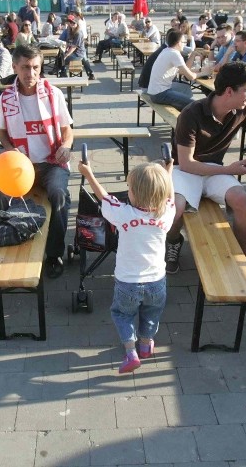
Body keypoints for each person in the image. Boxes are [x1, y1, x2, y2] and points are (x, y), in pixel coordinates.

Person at [164, 61, 246, 303]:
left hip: (215, 168)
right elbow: (187, 162)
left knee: (241, 199)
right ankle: (172, 241)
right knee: (177, 208)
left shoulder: (243, 109)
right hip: (185, 170)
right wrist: (230, 169)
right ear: (228, 92)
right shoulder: (191, 114)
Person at [78, 158, 175, 374]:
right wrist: (168, 174)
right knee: (152, 312)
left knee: (122, 314)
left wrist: (88, 174)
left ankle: (131, 352)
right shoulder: (167, 214)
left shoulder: (123, 214)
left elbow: (103, 196)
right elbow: (171, 197)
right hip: (157, 281)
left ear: (133, 194)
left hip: (127, 282)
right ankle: (146, 344)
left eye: (129, 188)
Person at [0, 45, 73, 278]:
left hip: (51, 164)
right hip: (22, 166)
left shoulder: (54, 94)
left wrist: (66, 146)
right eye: (25, 67)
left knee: (59, 195)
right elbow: (2, 133)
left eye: (35, 67)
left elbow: (67, 130)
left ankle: (54, 253)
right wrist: (11, 151)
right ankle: (11, 241)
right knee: (1, 196)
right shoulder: (6, 98)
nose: (31, 73)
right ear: (15, 67)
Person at [147, 29, 200, 110]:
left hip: (154, 91)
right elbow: (191, 77)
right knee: (194, 104)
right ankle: (185, 118)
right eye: (184, 42)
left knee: (185, 88)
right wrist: (204, 73)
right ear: (178, 43)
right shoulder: (174, 54)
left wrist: (193, 56)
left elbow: (183, 71)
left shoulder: (166, 50)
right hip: (160, 94)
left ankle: (182, 114)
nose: (184, 45)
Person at [60, 14, 95, 80]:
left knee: (62, 59)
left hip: (78, 53)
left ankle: (63, 73)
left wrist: (66, 55)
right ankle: (91, 74)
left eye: (73, 22)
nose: (71, 24)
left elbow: (74, 47)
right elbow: (67, 42)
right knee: (85, 60)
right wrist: (64, 49)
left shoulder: (78, 33)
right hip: (79, 52)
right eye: (70, 22)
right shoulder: (69, 30)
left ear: (77, 23)